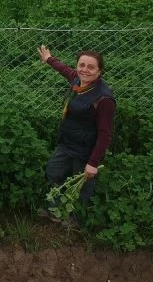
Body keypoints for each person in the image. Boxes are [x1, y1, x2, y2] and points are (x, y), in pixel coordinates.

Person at [37, 45, 116, 222]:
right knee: (53, 172)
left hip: (86, 150)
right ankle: (54, 210)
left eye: (91, 67)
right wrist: (49, 59)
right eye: (81, 65)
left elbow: (105, 134)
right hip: (67, 143)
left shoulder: (104, 99)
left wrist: (93, 163)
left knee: (83, 187)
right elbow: (66, 71)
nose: (84, 70)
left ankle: (76, 220)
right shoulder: (77, 81)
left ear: (99, 71)